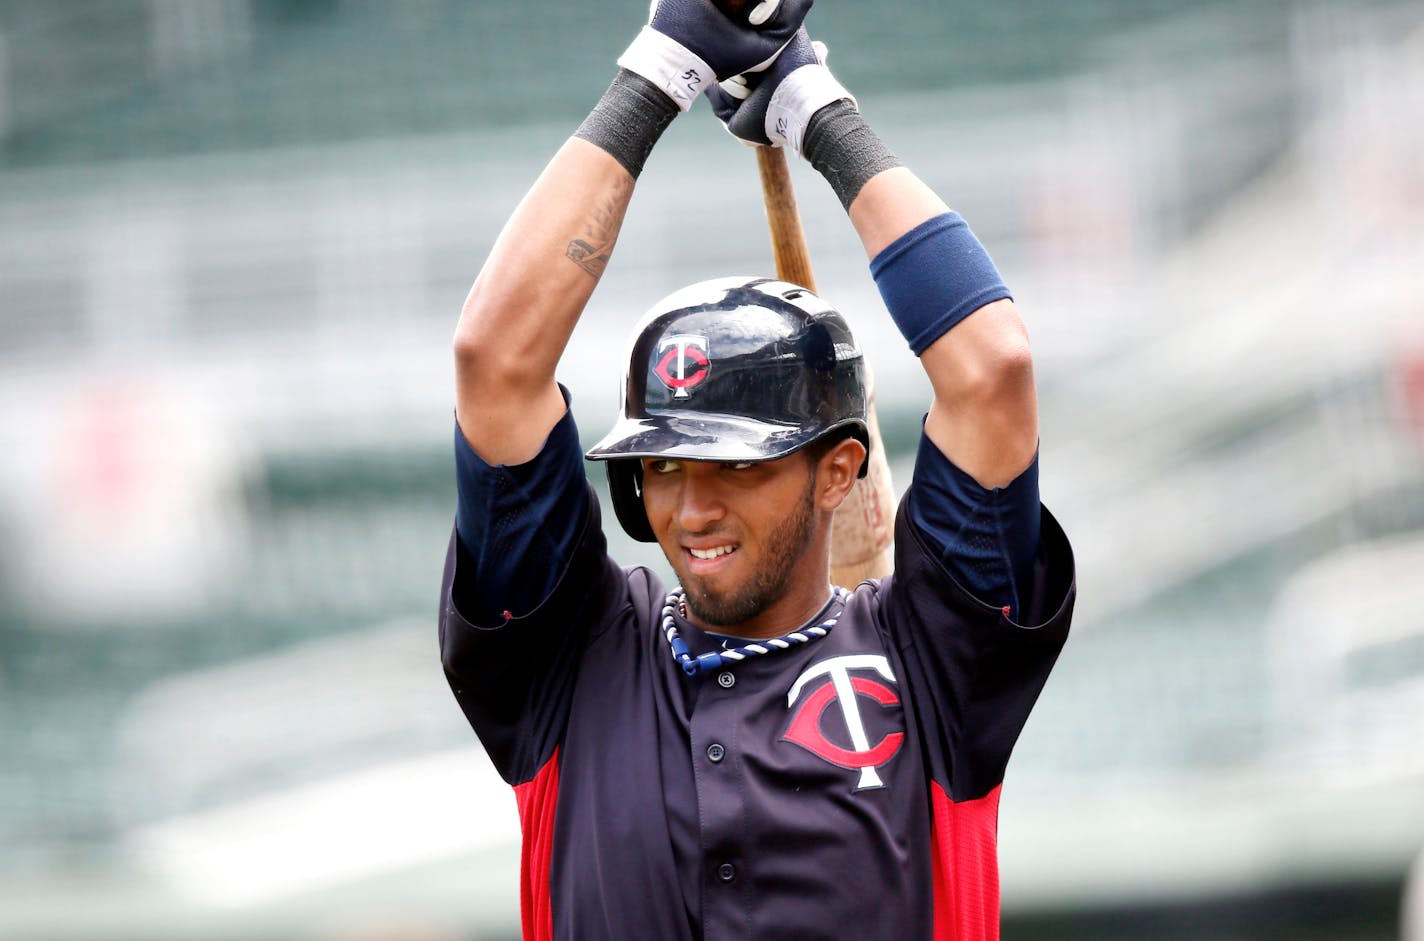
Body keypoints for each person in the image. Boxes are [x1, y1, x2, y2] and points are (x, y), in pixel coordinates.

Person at [439, 2, 1076, 938]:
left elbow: (995, 367)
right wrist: (667, 64)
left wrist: (814, 108)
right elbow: (494, 360)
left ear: (836, 473)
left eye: (735, 463)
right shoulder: (570, 661)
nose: (690, 507)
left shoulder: (933, 661)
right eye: (661, 463)